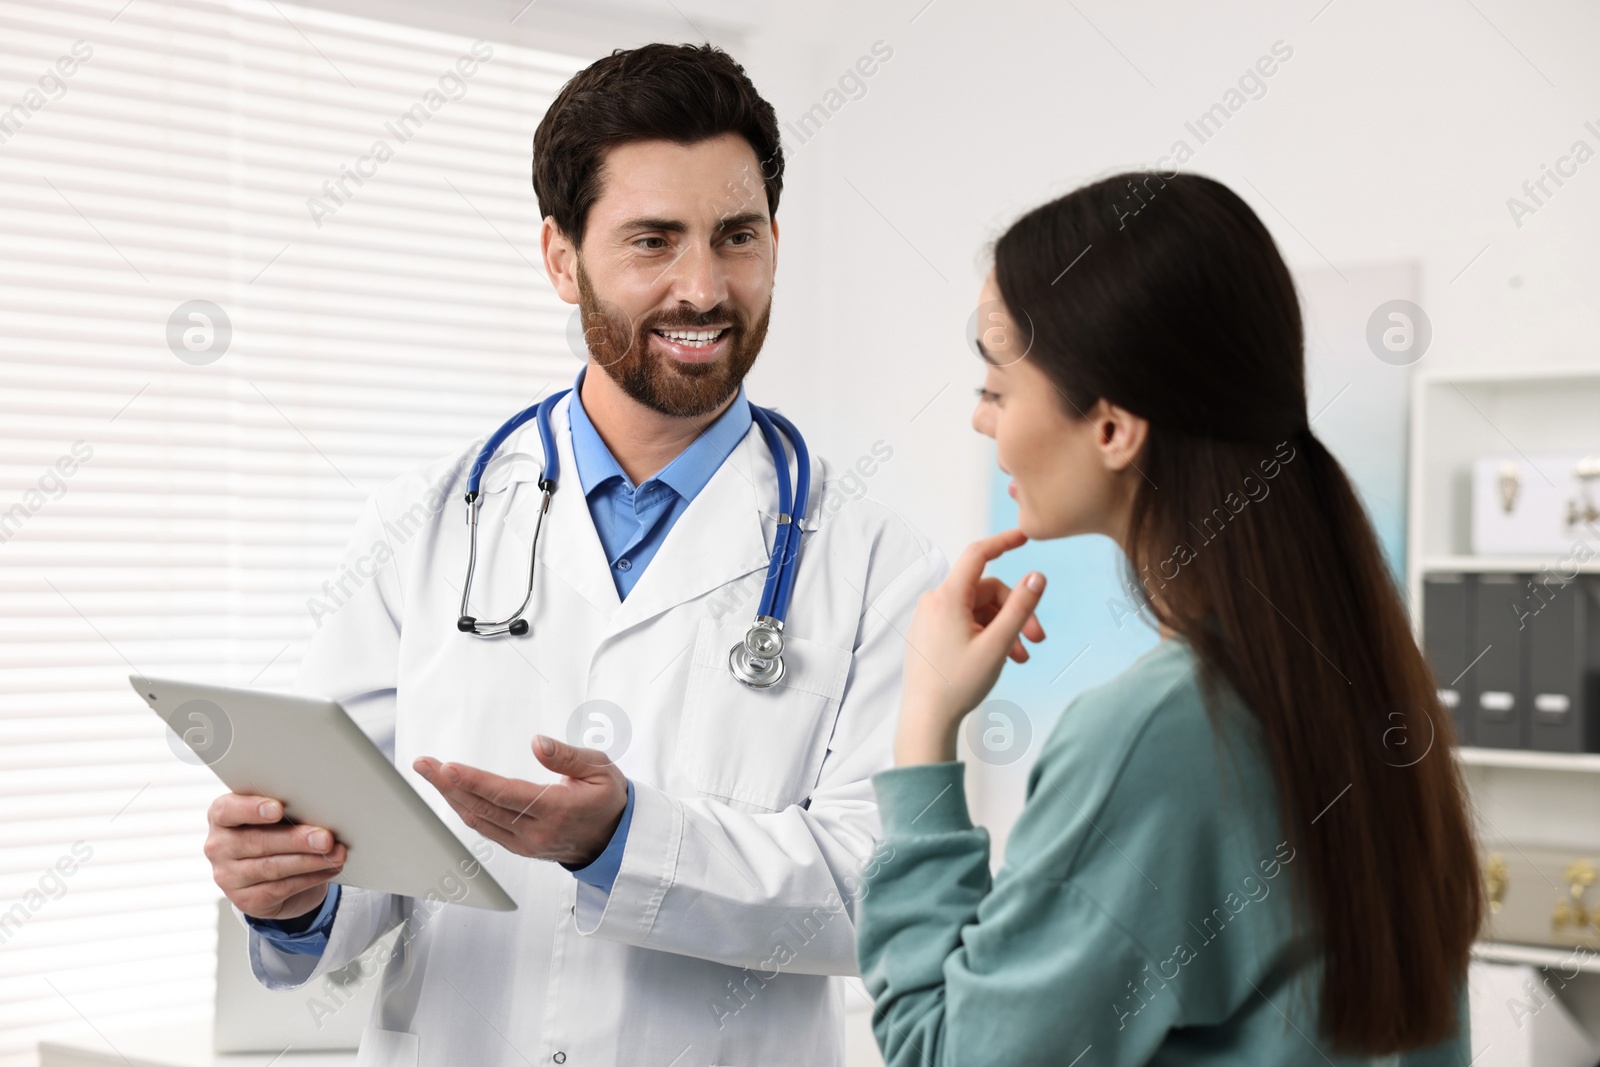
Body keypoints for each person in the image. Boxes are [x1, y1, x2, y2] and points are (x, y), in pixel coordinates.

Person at [199, 43, 943, 1067]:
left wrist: (623, 841)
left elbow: (886, 894)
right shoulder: (419, 525)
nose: (702, 287)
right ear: (560, 256)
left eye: (735, 237)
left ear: (775, 240)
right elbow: (362, 853)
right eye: (652, 241)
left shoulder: (872, 561)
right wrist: (293, 894)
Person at [855, 172, 1482, 1065]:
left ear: (1112, 427)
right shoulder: (1355, 673)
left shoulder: (1154, 735)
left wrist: (925, 730)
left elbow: (942, 1052)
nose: (979, 421)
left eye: (998, 387)